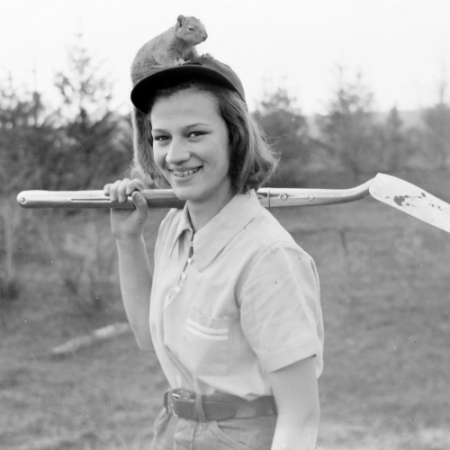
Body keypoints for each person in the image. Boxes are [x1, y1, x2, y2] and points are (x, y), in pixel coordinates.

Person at [104, 55, 324, 450]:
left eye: (195, 134)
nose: (174, 155)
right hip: (173, 432)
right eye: (162, 137)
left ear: (234, 135)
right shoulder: (174, 227)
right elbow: (145, 335)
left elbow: (301, 416)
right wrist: (127, 240)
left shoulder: (268, 257)